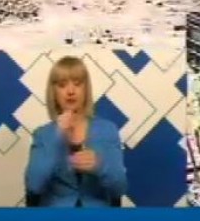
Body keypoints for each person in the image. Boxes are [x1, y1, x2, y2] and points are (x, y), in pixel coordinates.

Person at [24, 55, 128, 208]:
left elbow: (119, 189)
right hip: (56, 219)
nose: (71, 91)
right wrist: (57, 136)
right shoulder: (43, 135)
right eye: (62, 85)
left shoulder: (107, 130)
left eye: (77, 84)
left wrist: (100, 166)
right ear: (54, 92)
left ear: (86, 89)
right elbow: (34, 186)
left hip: (97, 218)